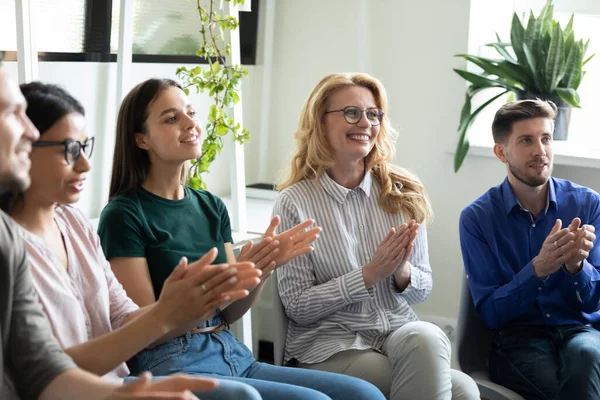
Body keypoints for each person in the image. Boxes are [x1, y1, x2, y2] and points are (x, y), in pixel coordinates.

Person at [97, 77, 384, 400]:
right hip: (171, 361)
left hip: (230, 351)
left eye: (190, 112)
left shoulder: (211, 206)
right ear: (141, 140)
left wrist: (261, 271)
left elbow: (228, 313)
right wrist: (214, 289)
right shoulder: (124, 215)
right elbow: (145, 332)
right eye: (172, 118)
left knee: (365, 394)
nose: (191, 123)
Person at [3, 81, 267, 399]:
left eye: (85, 148)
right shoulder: (16, 240)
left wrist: (176, 308)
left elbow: (121, 316)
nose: (85, 165)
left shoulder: (74, 223)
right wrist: (169, 312)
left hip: (118, 380)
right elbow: (42, 371)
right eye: (71, 150)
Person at [273, 72, 479, 400]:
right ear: (320, 122)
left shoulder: (402, 192)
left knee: (436, 348)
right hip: (329, 346)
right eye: (351, 113)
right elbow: (297, 305)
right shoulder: (295, 202)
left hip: (395, 333)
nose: (365, 123)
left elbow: (421, 289)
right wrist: (368, 275)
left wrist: (401, 271)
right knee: (461, 393)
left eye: (373, 114)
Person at [459, 99, 600, 399]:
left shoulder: (588, 204)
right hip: (518, 340)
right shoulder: (476, 219)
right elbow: (490, 314)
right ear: (501, 152)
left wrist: (577, 267)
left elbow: (593, 303)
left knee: (587, 357)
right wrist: (538, 270)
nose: (540, 150)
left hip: (580, 331)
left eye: (546, 138)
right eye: (526, 140)